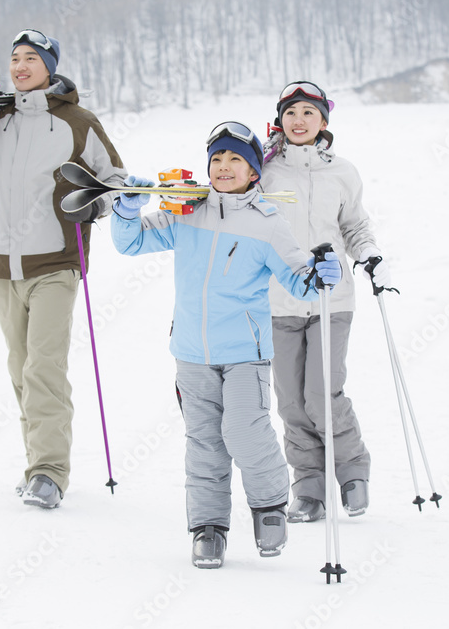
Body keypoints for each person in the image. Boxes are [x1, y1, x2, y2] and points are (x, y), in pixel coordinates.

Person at [110, 121, 342, 568]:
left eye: (236, 159)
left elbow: (300, 281)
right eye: (217, 158)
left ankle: (270, 506)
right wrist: (126, 211)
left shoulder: (269, 224)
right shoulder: (186, 212)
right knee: (203, 442)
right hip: (191, 353)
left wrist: (319, 275)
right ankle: (208, 527)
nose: (224, 166)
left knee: (244, 431)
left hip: (245, 354)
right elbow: (133, 242)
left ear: (255, 171)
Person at [0, 28, 126, 510]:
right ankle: (35, 464)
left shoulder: (78, 122)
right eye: (14, 58)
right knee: (21, 369)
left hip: (55, 262)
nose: (20, 66)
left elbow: (115, 179)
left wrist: (93, 208)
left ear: (49, 66)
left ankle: (50, 473)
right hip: (0, 263)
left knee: (43, 367)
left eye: (30, 58)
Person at [258, 81, 392, 523]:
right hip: (278, 301)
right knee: (291, 402)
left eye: (308, 113)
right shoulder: (264, 171)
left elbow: (354, 225)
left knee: (321, 393)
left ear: (323, 122)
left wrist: (369, 255)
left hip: (331, 299)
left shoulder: (342, 172)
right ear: (280, 120)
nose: (299, 120)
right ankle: (308, 488)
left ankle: (352, 472)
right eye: (291, 112)